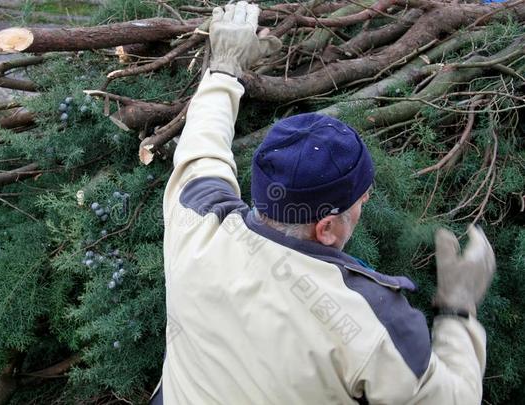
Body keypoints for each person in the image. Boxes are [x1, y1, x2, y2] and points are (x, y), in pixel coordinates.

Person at [152, 2, 496, 404]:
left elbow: (201, 147)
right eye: (361, 199)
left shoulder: (196, 222)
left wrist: (225, 66)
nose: (365, 202)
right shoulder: (368, 320)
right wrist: (459, 310)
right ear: (328, 228)